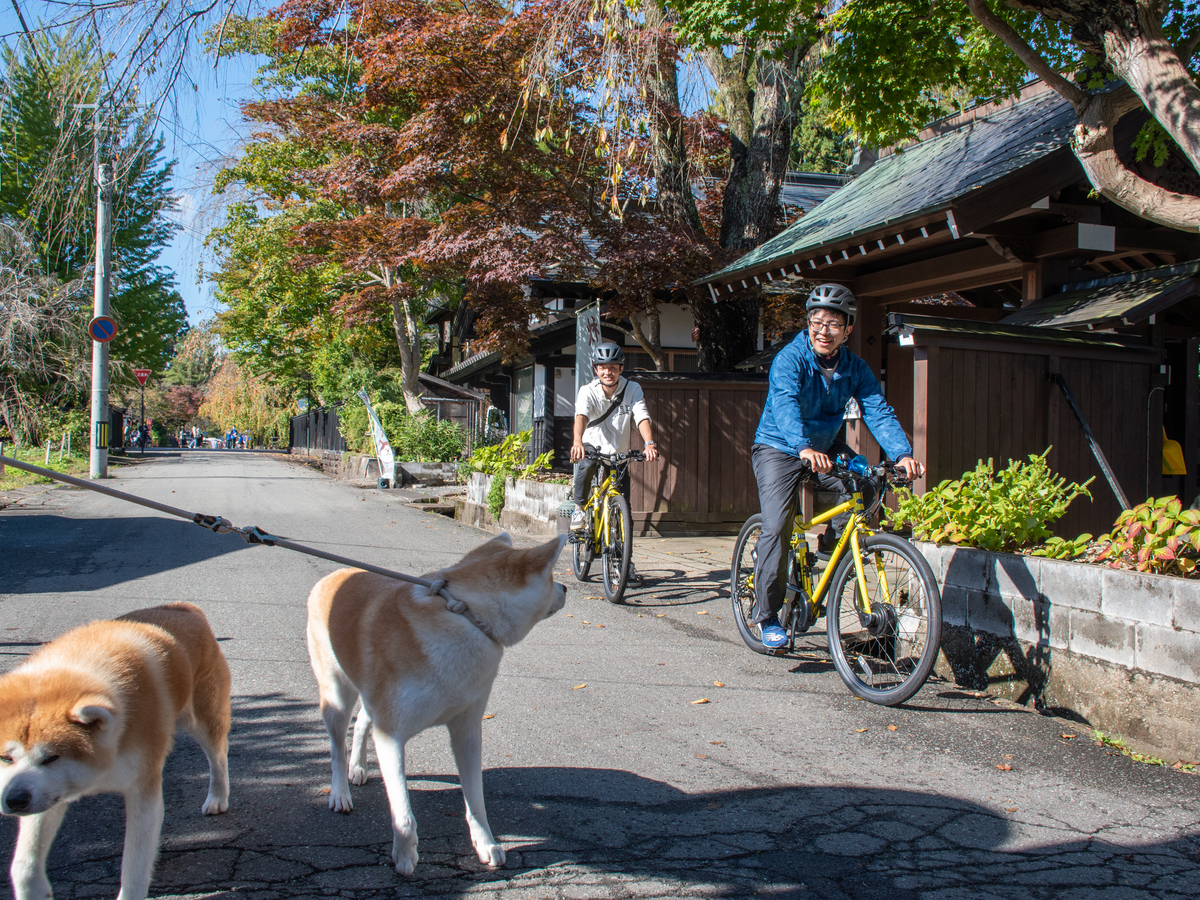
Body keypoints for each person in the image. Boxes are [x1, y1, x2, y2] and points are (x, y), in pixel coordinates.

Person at [750, 283, 924, 651]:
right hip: (779, 447)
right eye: (816, 321)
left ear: (847, 330)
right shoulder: (790, 359)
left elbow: (877, 408)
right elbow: (784, 406)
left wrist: (902, 453)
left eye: (832, 323)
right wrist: (802, 446)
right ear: (808, 323)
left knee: (867, 488)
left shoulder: (854, 368)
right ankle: (767, 616)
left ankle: (836, 556)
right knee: (778, 526)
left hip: (826, 448)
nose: (822, 330)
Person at [569, 342, 660, 538]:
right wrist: (577, 441)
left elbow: (641, 416)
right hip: (592, 444)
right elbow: (581, 416)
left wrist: (649, 444)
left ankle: (624, 561)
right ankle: (579, 509)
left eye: (612, 367)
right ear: (596, 369)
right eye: (602, 367)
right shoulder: (588, 390)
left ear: (621, 368)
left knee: (624, 508)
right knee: (587, 465)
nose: (607, 372)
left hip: (618, 451)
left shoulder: (632, 389)